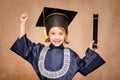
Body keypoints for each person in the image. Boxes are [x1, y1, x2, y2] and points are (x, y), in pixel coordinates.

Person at [10, 7, 105, 80]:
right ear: (48, 34)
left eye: (60, 33)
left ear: (65, 35)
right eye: (53, 33)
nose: (57, 37)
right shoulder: (39, 51)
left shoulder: (71, 55)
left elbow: (84, 67)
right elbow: (24, 47)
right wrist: (23, 23)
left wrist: (91, 50)